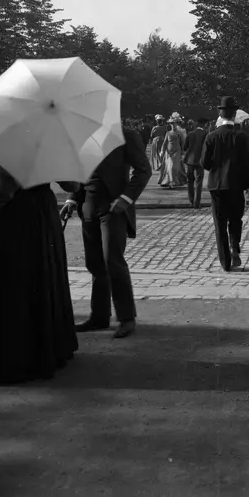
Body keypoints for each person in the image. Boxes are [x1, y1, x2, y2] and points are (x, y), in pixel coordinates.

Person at [0, 163, 77, 384]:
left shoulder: (15, 147)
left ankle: (15, 354)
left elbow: (3, 189)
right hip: (45, 210)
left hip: (20, 212)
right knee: (44, 275)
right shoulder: (50, 144)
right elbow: (73, 183)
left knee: (12, 278)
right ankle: (48, 349)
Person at [60, 125, 151, 340]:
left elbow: (143, 170)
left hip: (113, 208)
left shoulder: (126, 135)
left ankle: (127, 318)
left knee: (113, 261)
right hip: (88, 207)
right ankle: (99, 316)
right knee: (94, 262)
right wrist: (72, 200)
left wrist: (126, 199)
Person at [201, 96, 249, 271]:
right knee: (235, 219)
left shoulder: (211, 136)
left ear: (220, 113)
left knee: (219, 222)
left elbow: (204, 162)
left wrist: (215, 169)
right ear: (234, 115)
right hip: (236, 184)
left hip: (217, 185)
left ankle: (225, 260)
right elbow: (247, 162)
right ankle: (235, 245)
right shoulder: (240, 136)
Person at [183, 117, 210, 208]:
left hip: (190, 160)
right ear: (204, 125)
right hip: (200, 160)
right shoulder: (206, 134)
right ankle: (196, 203)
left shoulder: (190, 133)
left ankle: (191, 200)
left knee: (190, 181)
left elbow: (185, 147)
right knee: (199, 182)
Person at [160, 112, 186, 189]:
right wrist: (162, 151)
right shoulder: (168, 133)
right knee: (169, 167)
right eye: (171, 123)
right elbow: (164, 143)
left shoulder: (180, 133)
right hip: (168, 152)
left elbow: (182, 143)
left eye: (174, 123)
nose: (172, 125)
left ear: (176, 124)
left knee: (174, 167)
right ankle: (170, 182)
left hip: (177, 151)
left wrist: (183, 153)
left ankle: (173, 182)